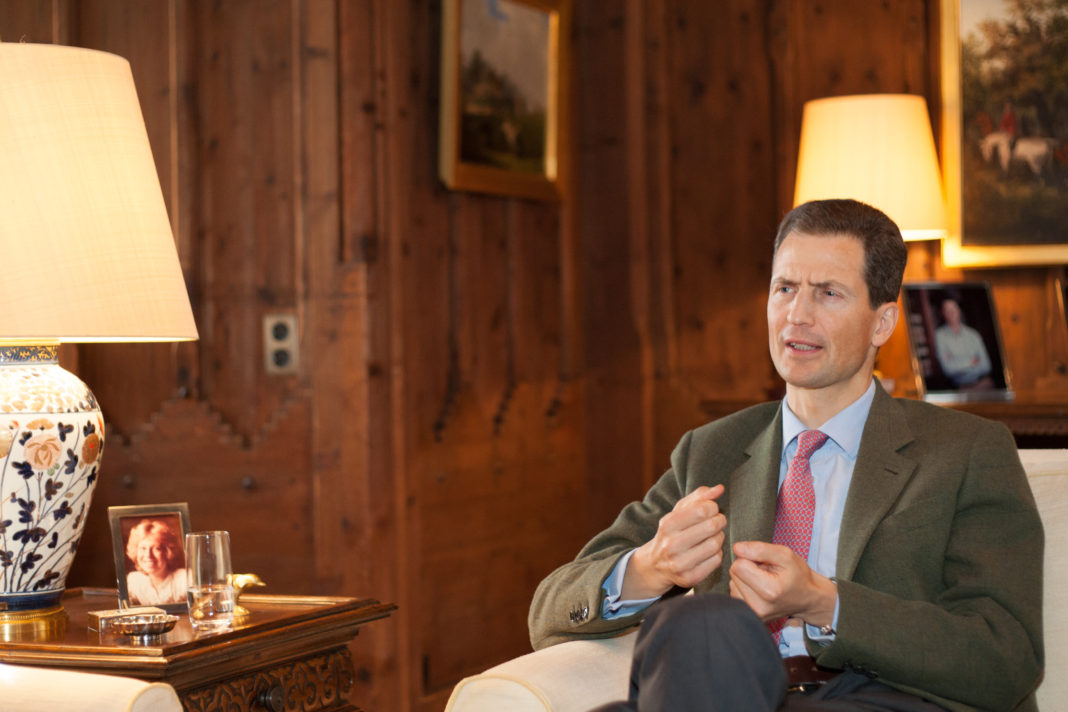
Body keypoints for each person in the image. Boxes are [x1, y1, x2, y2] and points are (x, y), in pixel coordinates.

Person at [528, 199, 1043, 711]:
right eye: (785, 288)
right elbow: (549, 610)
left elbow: (1007, 656)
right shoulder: (712, 450)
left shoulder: (965, 451)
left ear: (882, 323)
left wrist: (823, 602)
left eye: (828, 294)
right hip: (731, 692)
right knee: (698, 622)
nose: (797, 315)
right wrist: (650, 565)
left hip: (882, 697)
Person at [933, 296, 993, 390]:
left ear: (959, 310)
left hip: (984, 383)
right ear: (943, 313)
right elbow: (948, 370)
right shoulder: (939, 336)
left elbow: (986, 366)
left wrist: (957, 364)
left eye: (954, 308)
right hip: (963, 388)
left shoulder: (973, 335)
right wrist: (971, 362)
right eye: (947, 310)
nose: (951, 313)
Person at [125, 518, 188, 606]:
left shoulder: (184, 579)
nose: (148, 555)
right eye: (143, 548)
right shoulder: (133, 580)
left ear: (167, 552)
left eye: (156, 548)